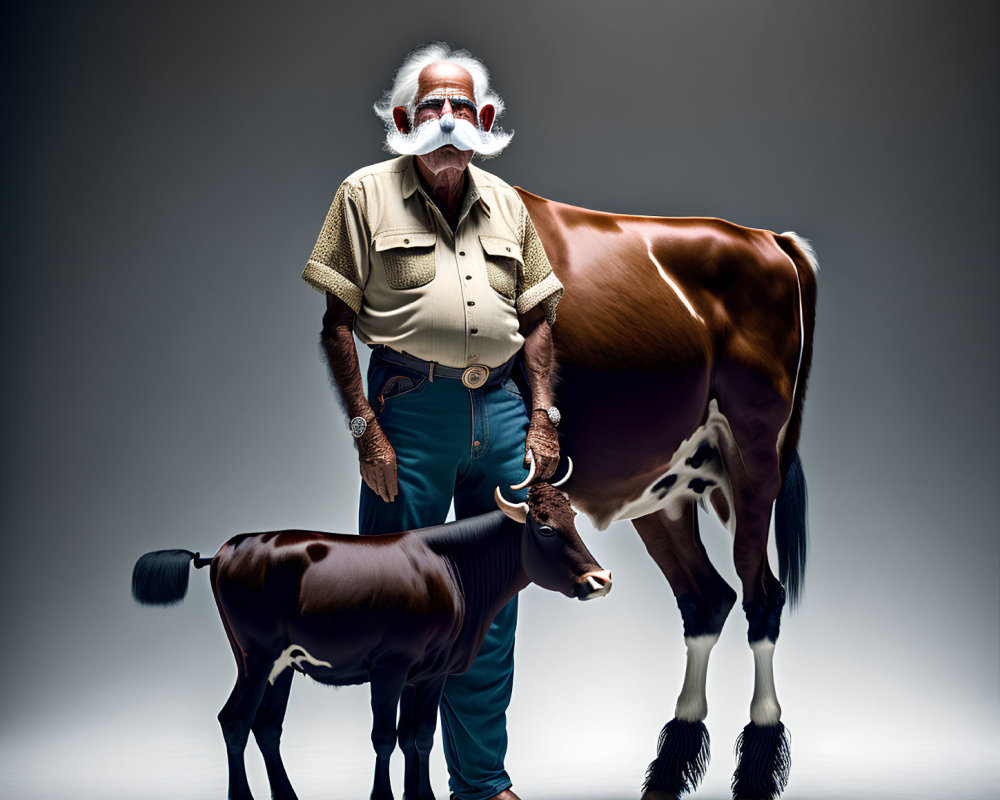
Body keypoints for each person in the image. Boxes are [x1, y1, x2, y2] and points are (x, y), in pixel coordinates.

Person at [301, 43, 564, 800]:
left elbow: (539, 320)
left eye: (460, 106)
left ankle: (481, 784)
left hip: (505, 411)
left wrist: (542, 416)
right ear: (401, 118)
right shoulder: (362, 195)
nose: (445, 120)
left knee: (490, 610)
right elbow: (334, 325)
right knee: (399, 606)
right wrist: (363, 430)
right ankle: (402, 782)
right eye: (431, 106)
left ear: (483, 119)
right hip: (409, 416)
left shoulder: (508, 204)